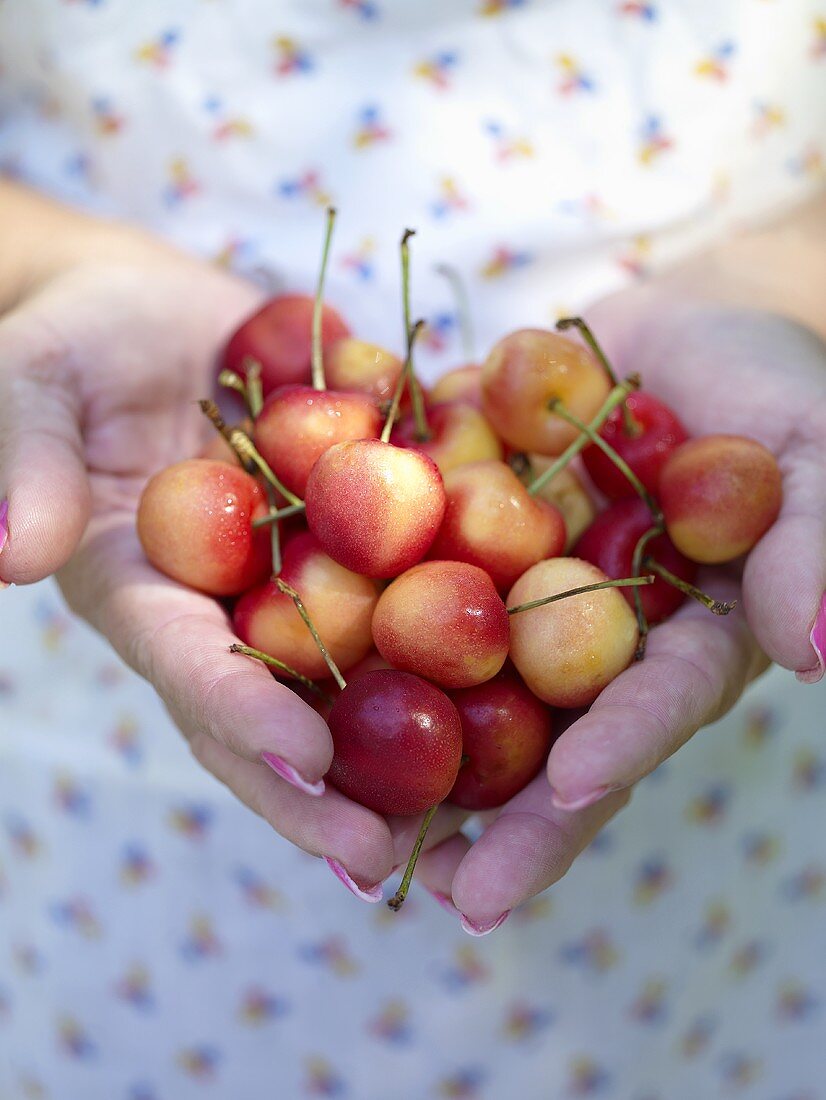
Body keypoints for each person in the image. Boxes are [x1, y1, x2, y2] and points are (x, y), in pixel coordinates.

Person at [1, 3, 824, 1097]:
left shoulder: (521, 527)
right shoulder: (368, 497)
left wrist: (778, 282)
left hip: (710, 822)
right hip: (126, 789)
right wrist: (53, 266)